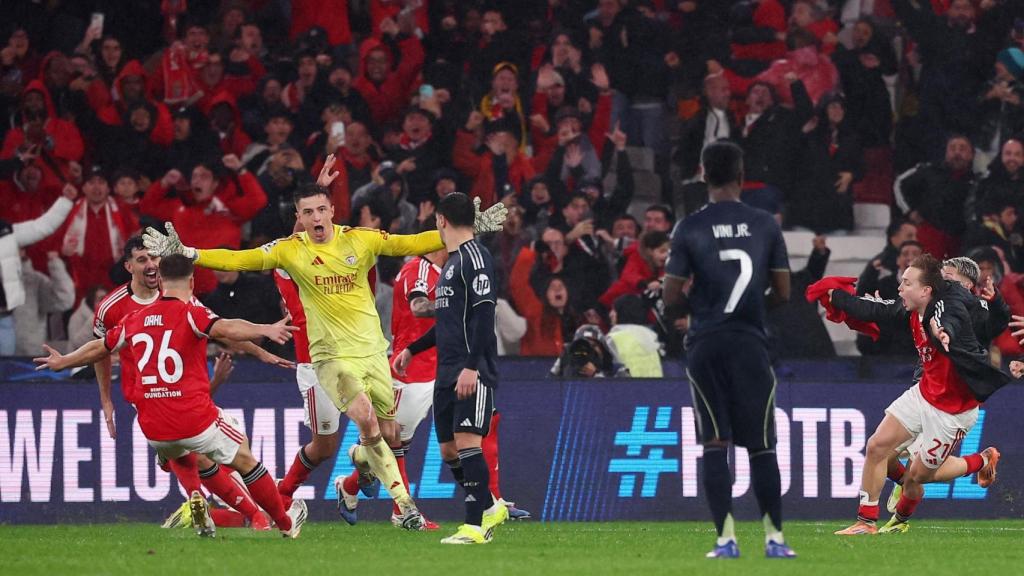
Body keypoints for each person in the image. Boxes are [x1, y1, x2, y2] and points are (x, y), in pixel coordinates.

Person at [142, 156, 507, 531]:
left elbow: (408, 242)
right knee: (364, 419)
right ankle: (404, 504)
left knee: (386, 434)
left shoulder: (359, 240)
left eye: (321, 209)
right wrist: (192, 253)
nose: (316, 218)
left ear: (332, 210)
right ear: (299, 217)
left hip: (372, 353)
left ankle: (356, 470)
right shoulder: (290, 250)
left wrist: (468, 227)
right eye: (307, 212)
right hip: (329, 358)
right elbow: (241, 258)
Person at [34, 254, 307, 538]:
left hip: (153, 429)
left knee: (180, 450)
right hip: (193, 420)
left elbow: (99, 347)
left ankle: (194, 495)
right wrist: (266, 328)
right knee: (244, 457)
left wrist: (63, 361)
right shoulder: (192, 312)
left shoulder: (133, 319)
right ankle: (285, 524)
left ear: (161, 282)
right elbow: (227, 327)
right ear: (192, 281)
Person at [662, 141, 795, 559]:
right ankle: (774, 539)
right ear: (741, 176)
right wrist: (751, 308)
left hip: (706, 344)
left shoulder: (688, 227)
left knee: (715, 443)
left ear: (703, 175)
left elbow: (669, 298)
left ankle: (726, 540)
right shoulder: (766, 224)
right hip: (750, 343)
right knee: (761, 444)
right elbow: (784, 292)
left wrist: (701, 305)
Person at [827, 254, 1006, 535]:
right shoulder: (918, 307)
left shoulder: (967, 308)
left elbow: (963, 319)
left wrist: (948, 329)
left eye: (949, 278)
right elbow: (880, 312)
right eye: (940, 277)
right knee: (877, 448)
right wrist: (834, 296)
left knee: (919, 475)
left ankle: (981, 460)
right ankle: (866, 522)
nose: (943, 282)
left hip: (952, 408)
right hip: (923, 391)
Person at [393, 192, 510, 544]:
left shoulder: (475, 257)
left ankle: (475, 527)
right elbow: (447, 319)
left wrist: (472, 367)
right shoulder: (453, 263)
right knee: (448, 450)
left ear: (441, 220)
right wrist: (413, 349)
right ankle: (490, 506)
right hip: (447, 369)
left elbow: (484, 313)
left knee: (468, 442)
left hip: (470, 369)